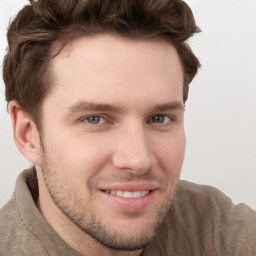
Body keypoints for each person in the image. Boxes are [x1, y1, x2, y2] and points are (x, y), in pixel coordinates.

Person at [0, 0, 255, 255]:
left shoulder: (222, 231)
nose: (138, 160)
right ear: (27, 134)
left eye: (160, 118)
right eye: (95, 119)